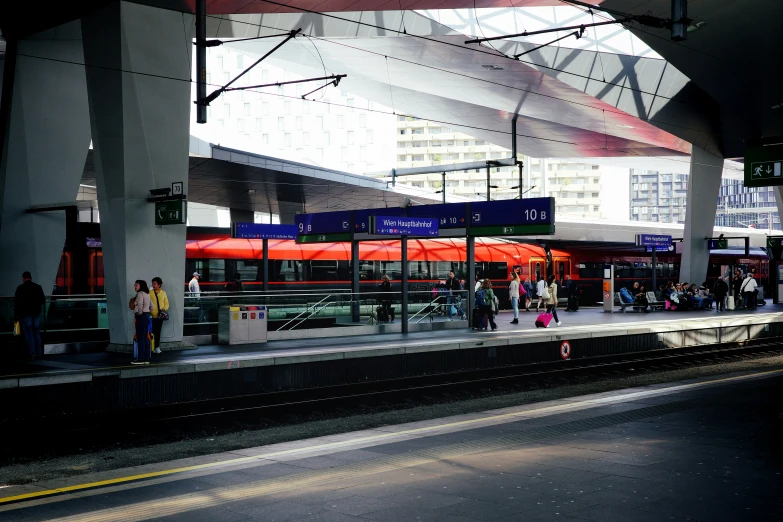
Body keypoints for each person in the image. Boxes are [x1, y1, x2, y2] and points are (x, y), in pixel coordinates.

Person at [14, 271, 46, 359]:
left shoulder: (20, 288)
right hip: (36, 314)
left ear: (23, 278)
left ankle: (32, 353)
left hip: (25, 314)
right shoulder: (38, 287)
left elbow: (17, 303)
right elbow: (42, 300)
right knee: (36, 333)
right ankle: (39, 353)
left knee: (29, 334)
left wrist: (16, 315)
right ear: (31, 278)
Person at [132, 280, 152, 365]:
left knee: (140, 337)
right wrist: (147, 311)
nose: (135, 286)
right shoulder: (147, 294)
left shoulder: (140, 294)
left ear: (141, 286)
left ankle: (140, 359)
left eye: (137, 285)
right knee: (145, 337)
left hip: (141, 316)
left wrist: (139, 312)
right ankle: (146, 358)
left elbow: (139, 304)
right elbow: (153, 306)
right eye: (135, 284)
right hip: (147, 316)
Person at [149, 277, 169, 354]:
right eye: (152, 284)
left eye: (155, 284)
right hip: (151, 316)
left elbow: (166, 303)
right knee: (151, 332)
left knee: (158, 332)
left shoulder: (163, 293)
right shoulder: (150, 293)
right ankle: (151, 347)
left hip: (160, 316)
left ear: (159, 285)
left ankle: (156, 347)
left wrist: (164, 308)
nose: (153, 285)